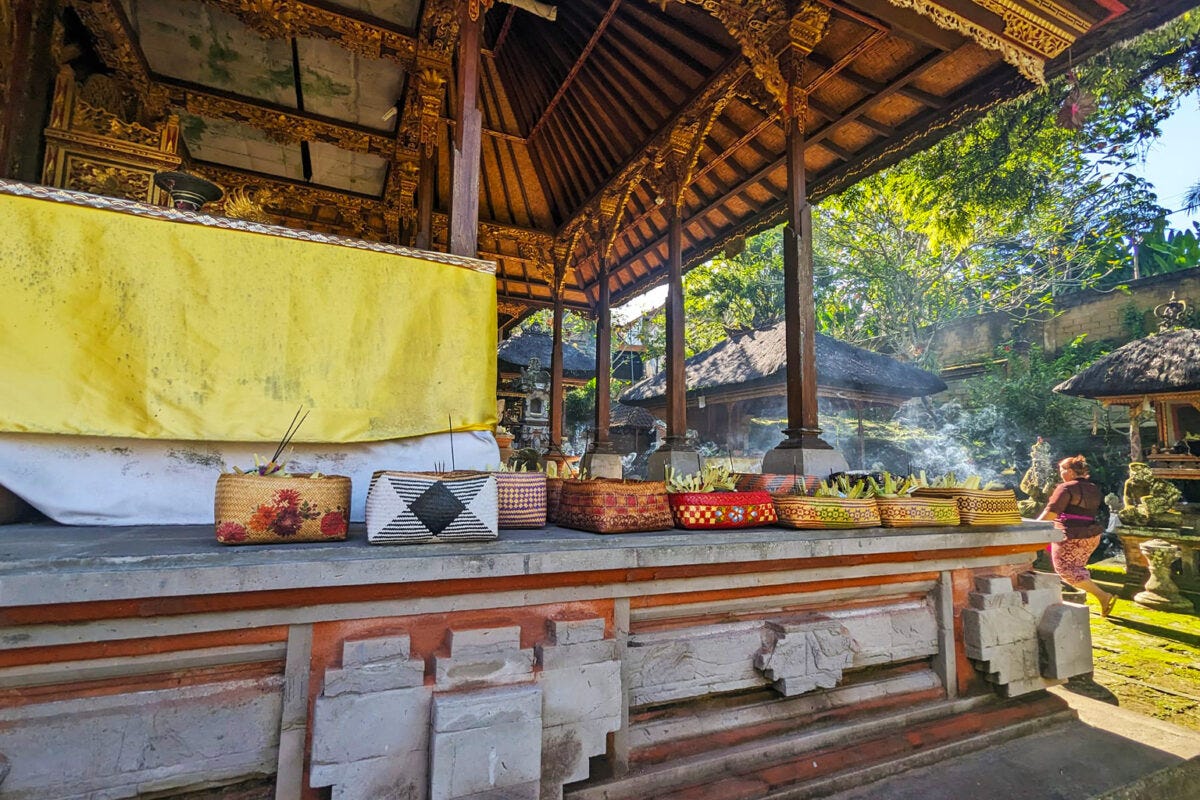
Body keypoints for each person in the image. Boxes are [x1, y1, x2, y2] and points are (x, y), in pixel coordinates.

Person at [1038, 455, 1118, 617]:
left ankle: (1103, 596)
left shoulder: (1066, 488)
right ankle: (1066, 597)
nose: (1060, 473)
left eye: (1062, 470)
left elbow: (1050, 514)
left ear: (1071, 471)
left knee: (1067, 571)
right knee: (1076, 569)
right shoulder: (1094, 488)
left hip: (1071, 536)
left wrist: (1029, 525)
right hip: (1091, 536)